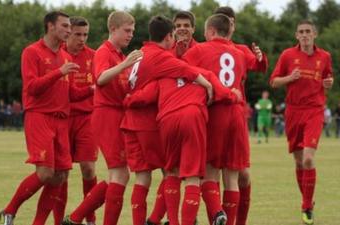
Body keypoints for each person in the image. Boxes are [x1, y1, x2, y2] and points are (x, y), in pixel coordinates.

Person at [121, 15, 219, 225]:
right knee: (173, 172)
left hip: (129, 122)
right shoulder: (161, 57)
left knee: (143, 178)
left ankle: (154, 219)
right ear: (168, 37)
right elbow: (187, 71)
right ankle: (172, 220)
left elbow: (136, 87)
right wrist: (209, 85)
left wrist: (129, 100)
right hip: (148, 123)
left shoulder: (139, 54)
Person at [0, 11, 90, 225]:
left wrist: (95, 88)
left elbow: (71, 94)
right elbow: (32, 88)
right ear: (50, 26)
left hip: (61, 120)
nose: (69, 30)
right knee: (46, 173)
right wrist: (59, 72)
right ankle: (10, 210)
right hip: (39, 117)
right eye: (65, 26)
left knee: (60, 176)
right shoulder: (32, 52)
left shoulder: (65, 56)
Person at [62, 11, 142, 225]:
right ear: (113, 29)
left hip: (117, 115)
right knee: (120, 174)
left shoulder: (119, 55)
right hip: (107, 115)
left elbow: (121, 85)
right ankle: (78, 218)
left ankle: (76, 218)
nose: (130, 35)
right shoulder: (105, 52)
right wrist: (126, 65)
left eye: (132, 31)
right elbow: (101, 79)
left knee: (120, 175)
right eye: (127, 30)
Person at [183, 13, 248, 225]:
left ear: (211, 31)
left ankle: (217, 213)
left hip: (216, 112)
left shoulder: (199, 49)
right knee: (231, 178)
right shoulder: (238, 54)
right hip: (237, 113)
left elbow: (182, 71)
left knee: (209, 173)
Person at [270, 20, 334, 225]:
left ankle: (306, 206)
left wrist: (329, 83)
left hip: (314, 111)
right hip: (293, 112)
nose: (305, 35)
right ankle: (307, 201)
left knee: (307, 159)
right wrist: (289, 77)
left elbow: (327, 79)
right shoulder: (288, 55)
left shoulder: (324, 56)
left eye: (308, 31)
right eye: (301, 32)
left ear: (315, 34)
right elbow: (273, 82)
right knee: (298, 162)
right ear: (296, 35)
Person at [213, 6, 268, 225]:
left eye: (231, 21)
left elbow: (259, 67)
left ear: (233, 24)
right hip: (213, 116)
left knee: (242, 175)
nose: (229, 24)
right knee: (214, 174)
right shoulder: (208, 47)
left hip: (236, 116)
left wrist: (261, 58)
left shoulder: (241, 49)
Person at [53, 16, 98, 225]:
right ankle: (58, 220)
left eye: (85, 34)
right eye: (77, 34)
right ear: (67, 33)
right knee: (61, 173)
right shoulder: (57, 55)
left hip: (87, 119)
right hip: (62, 119)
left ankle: (90, 219)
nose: (82, 39)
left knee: (89, 168)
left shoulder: (95, 57)